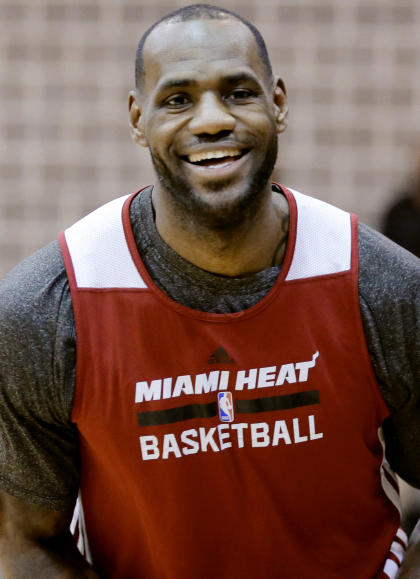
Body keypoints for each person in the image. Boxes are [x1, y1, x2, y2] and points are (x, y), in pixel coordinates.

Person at [0, 4, 419, 578]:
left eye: (239, 92)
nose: (212, 119)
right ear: (136, 117)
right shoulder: (46, 309)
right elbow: (25, 542)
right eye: (177, 99)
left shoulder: (384, 285)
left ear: (279, 102)